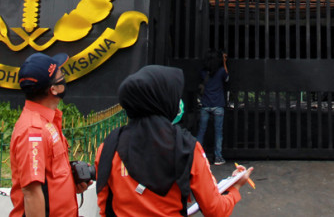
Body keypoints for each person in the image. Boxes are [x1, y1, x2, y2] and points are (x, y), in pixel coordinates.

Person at [95, 65, 252, 217]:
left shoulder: (108, 147)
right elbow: (215, 210)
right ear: (163, 100)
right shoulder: (186, 147)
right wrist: (235, 187)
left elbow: (104, 207)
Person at [9, 53, 91, 217]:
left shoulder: (48, 121)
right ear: (53, 89)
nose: (64, 79)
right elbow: (31, 193)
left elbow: (48, 178)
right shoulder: (34, 131)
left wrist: (70, 184)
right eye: (61, 76)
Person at [196, 50, 229, 165]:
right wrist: (224, 61)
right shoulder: (220, 72)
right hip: (218, 105)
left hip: (205, 105)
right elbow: (227, 77)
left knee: (201, 131)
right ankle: (218, 157)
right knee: (218, 133)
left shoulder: (203, 73)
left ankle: (197, 156)